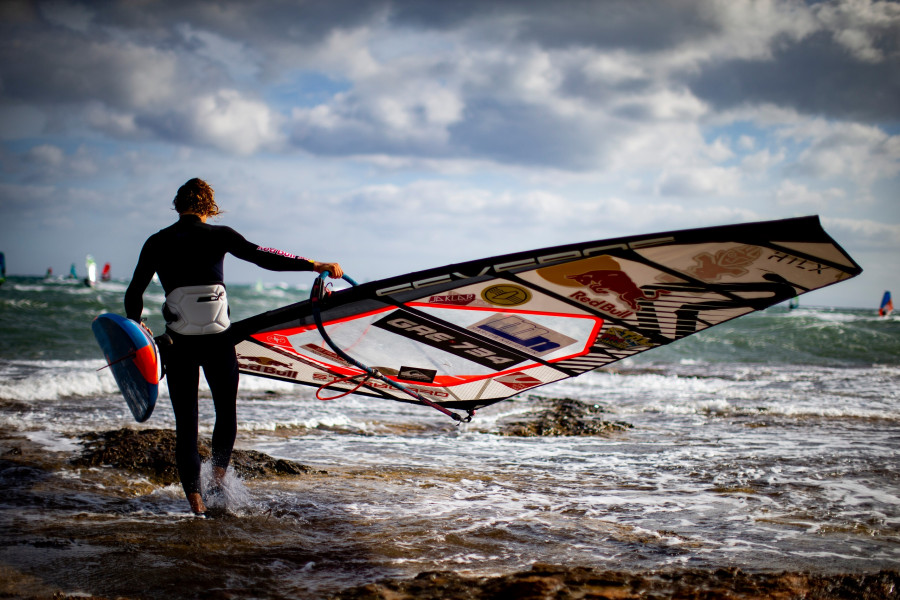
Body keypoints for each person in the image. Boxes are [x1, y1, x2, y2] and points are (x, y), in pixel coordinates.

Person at [124, 178, 343, 516]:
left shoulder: (157, 241)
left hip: (178, 343)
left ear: (177, 205)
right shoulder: (220, 235)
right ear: (209, 207)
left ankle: (195, 505)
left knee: (187, 425)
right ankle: (217, 479)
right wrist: (314, 264)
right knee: (226, 412)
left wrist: (136, 326)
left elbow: (135, 290)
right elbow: (264, 257)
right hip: (217, 341)